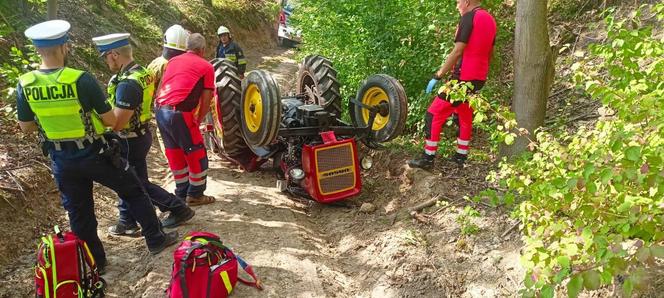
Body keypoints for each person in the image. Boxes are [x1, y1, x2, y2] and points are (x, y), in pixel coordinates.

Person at [15, 21, 178, 269]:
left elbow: (26, 127)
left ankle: (95, 263)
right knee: (134, 190)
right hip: (95, 153)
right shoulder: (80, 80)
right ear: (65, 46)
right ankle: (155, 239)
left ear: (38, 50)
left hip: (62, 159)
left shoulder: (25, 84)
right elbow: (110, 120)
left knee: (79, 214)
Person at [92, 33, 195, 236]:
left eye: (105, 56)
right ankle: (126, 220)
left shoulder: (128, 84)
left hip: (129, 139)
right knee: (131, 178)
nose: (105, 61)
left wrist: (97, 121)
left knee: (134, 184)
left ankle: (176, 207)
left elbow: (118, 122)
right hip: (140, 135)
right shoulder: (142, 72)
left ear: (114, 54)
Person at [408, 0, 496, 170]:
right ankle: (461, 157)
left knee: (433, 114)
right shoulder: (490, 20)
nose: (457, 6)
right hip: (479, 78)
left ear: (467, 2)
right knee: (464, 113)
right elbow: (490, 52)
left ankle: (428, 158)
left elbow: (458, 50)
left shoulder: (469, 17)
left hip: (463, 78)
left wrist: (438, 75)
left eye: (458, 2)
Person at [155, 33, 216, 206]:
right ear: (202, 50)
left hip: (160, 110)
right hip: (180, 113)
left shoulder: (173, 61)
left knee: (175, 153)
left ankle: (181, 192)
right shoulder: (206, 67)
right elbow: (207, 98)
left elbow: (161, 87)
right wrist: (198, 120)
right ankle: (196, 194)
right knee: (197, 153)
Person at [148, 24, 190, 156]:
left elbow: (148, 89)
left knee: (167, 141)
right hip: (183, 111)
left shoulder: (155, 65)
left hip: (162, 111)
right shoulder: (186, 64)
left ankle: (174, 163)